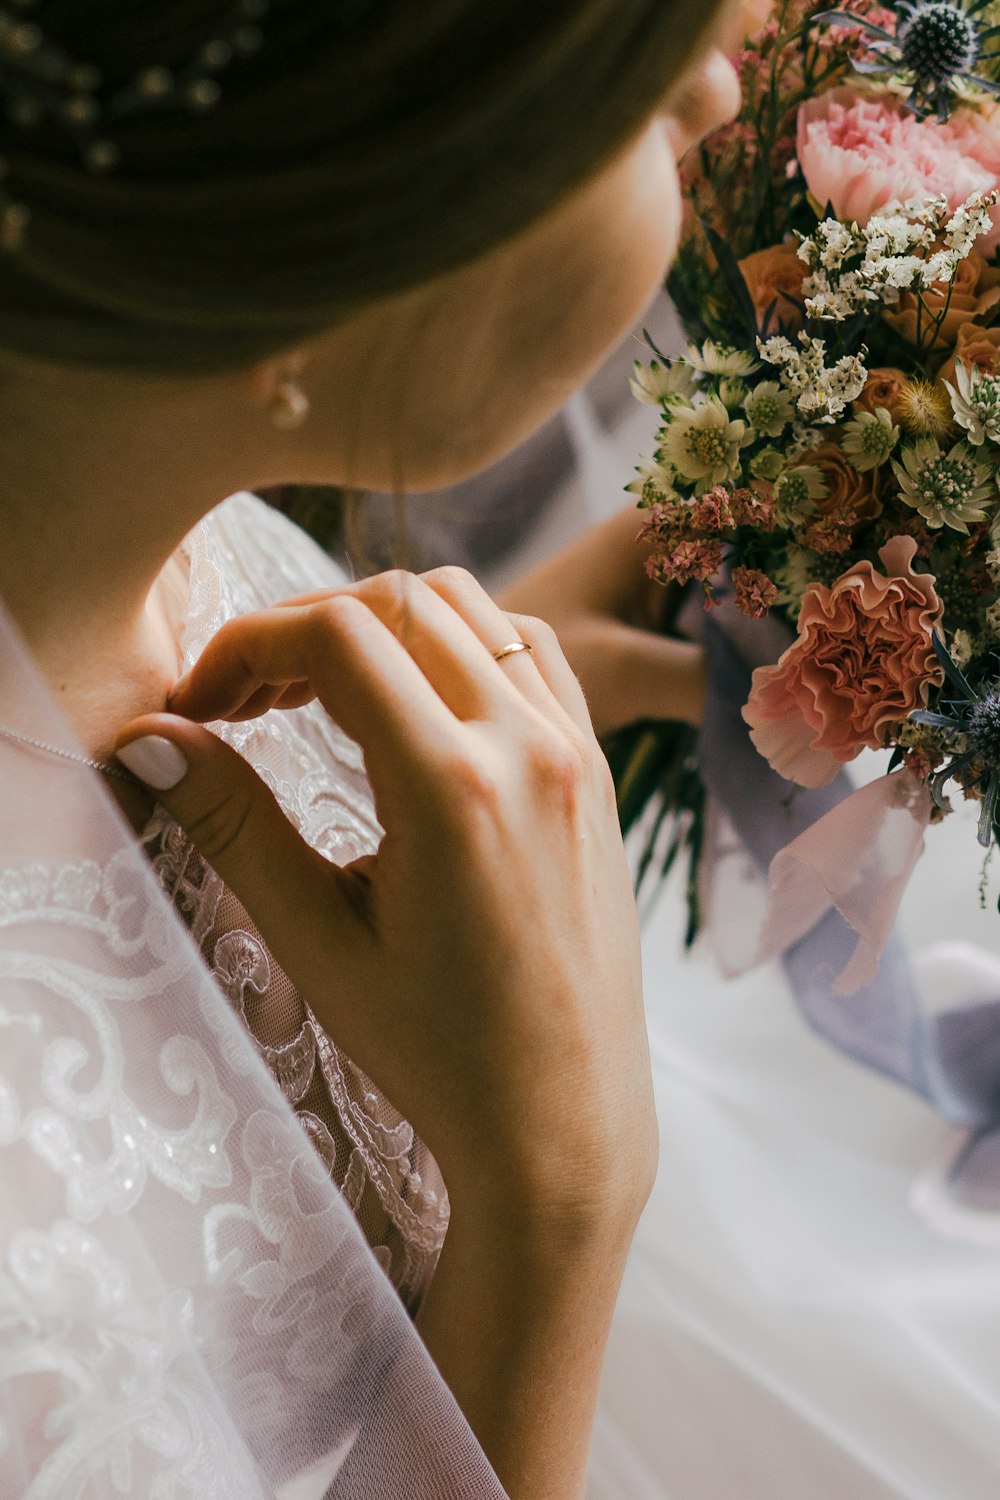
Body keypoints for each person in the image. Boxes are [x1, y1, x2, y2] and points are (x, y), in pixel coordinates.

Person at [0, 2, 740, 1495]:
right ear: (303, 259)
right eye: (656, 80)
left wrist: (408, 726)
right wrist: (559, 1213)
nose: (731, 89)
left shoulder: (160, 516)